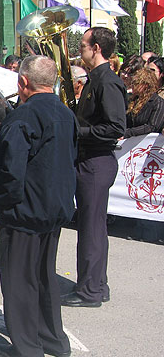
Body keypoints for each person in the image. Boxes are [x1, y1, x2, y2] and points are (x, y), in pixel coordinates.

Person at [0, 55, 77, 357]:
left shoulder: (22, 116)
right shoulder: (67, 114)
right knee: (44, 275)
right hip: (55, 208)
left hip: (24, 211)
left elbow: (12, 172)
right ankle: (53, 338)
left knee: (19, 279)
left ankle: (26, 347)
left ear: (23, 82)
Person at [62, 27, 126, 308]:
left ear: (96, 48)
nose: (80, 49)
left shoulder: (107, 82)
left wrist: (78, 131)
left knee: (90, 227)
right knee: (94, 226)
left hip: (96, 162)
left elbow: (115, 127)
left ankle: (89, 290)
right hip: (91, 161)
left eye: (84, 45)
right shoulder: (96, 79)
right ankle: (97, 283)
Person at [124, 68, 164, 138]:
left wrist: (128, 132)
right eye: (132, 82)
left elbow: (152, 127)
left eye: (136, 83)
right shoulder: (132, 100)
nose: (132, 85)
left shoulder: (157, 102)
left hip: (147, 146)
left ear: (146, 85)